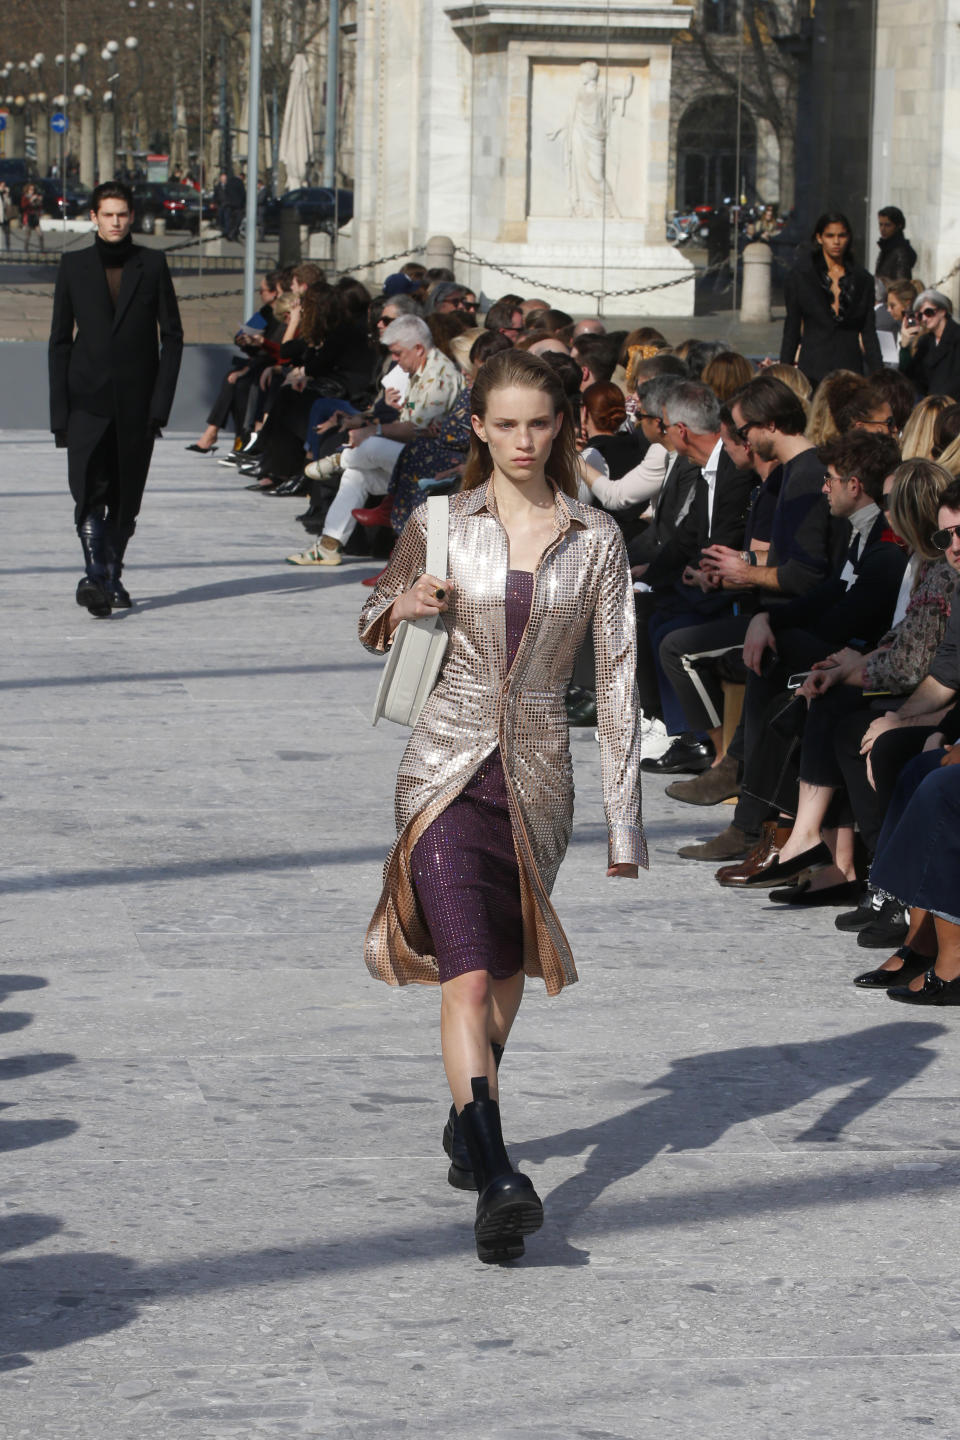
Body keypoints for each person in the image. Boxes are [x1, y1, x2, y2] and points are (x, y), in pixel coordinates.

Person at [357, 349, 644, 1264]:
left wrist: (625, 819)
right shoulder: (441, 520)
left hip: (539, 774)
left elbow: (621, 683)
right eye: (506, 423)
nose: (524, 440)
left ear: (564, 427)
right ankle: (497, 1175)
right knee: (468, 974)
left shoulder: (596, 538)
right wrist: (401, 601)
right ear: (477, 426)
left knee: (508, 967)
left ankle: (467, 1122)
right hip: (442, 760)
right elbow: (370, 617)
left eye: (540, 422)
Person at [48, 180, 183, 616]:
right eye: (107, 214)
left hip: (137, 404)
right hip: (86, 399)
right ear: (93, 217)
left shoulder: (152, 263)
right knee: (88, 491)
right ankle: (95, 575)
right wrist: (59, 412)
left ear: (131, 217)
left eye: (122, 214)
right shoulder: (73, 266)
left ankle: (109, 575)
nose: (115, 222)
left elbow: (173, 337)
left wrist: (160, 405)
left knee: (126, 498)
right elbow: (59, 342)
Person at [780, 211, 883, 387]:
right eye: (830, 236)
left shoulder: (863, 279)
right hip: (813, 369)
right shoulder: (800, 277)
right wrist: (783, 374)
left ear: (848, 237)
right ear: (819, 238)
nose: (836, 242)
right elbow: (792, 329)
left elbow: (869, 333)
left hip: (850, 370)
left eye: (841, 235)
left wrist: (880, 377)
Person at [898, 289, 960, 400]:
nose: (925, 318)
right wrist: (905, 346)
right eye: (920, 315)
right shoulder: (925, 343)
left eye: (929, 312)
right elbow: (910, 377)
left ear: (942, 311)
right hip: (931, 406)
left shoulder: (956, 337)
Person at [875, 206, 917, 282]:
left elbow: (902, 284)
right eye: (880, 224)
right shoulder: (886, 247)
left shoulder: (900, 252)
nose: (883, 229)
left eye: (887, 225)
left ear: (898, 226)